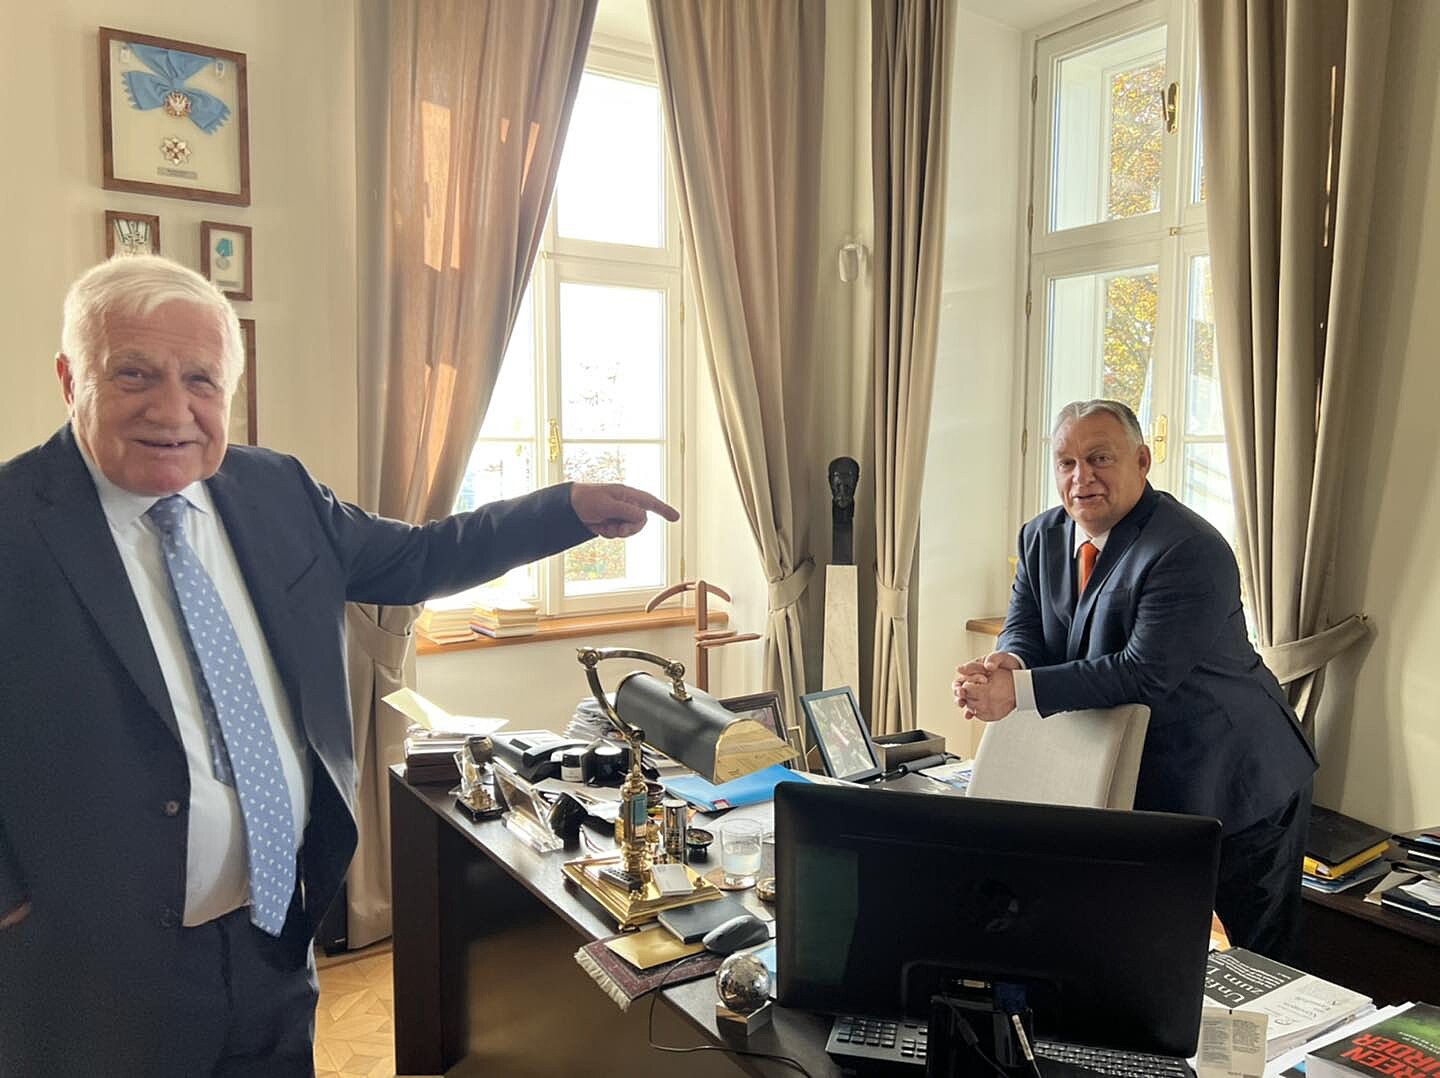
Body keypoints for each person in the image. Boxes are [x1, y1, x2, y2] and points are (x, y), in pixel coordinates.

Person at [0, 255, 679, 1076]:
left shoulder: (273, 490)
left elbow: (420, 557)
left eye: (201, 380)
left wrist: (564, 511)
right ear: (70, 379)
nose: (172, 409)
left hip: (272, 940)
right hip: (91, 973)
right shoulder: (14, 524)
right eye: (133, 374)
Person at [953, 399, 1316, 961]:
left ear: (1142, 461)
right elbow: (1026, 625)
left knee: (1256, 965)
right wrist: (1007, 664)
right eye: (1067, 462)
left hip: (1240, 777)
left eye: (1100, 458)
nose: (1082, 477)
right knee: (1150, 951)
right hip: (1145, 783)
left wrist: (1016, 695)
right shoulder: (1040, 535)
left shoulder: (1189, 548)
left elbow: (1142, 672)